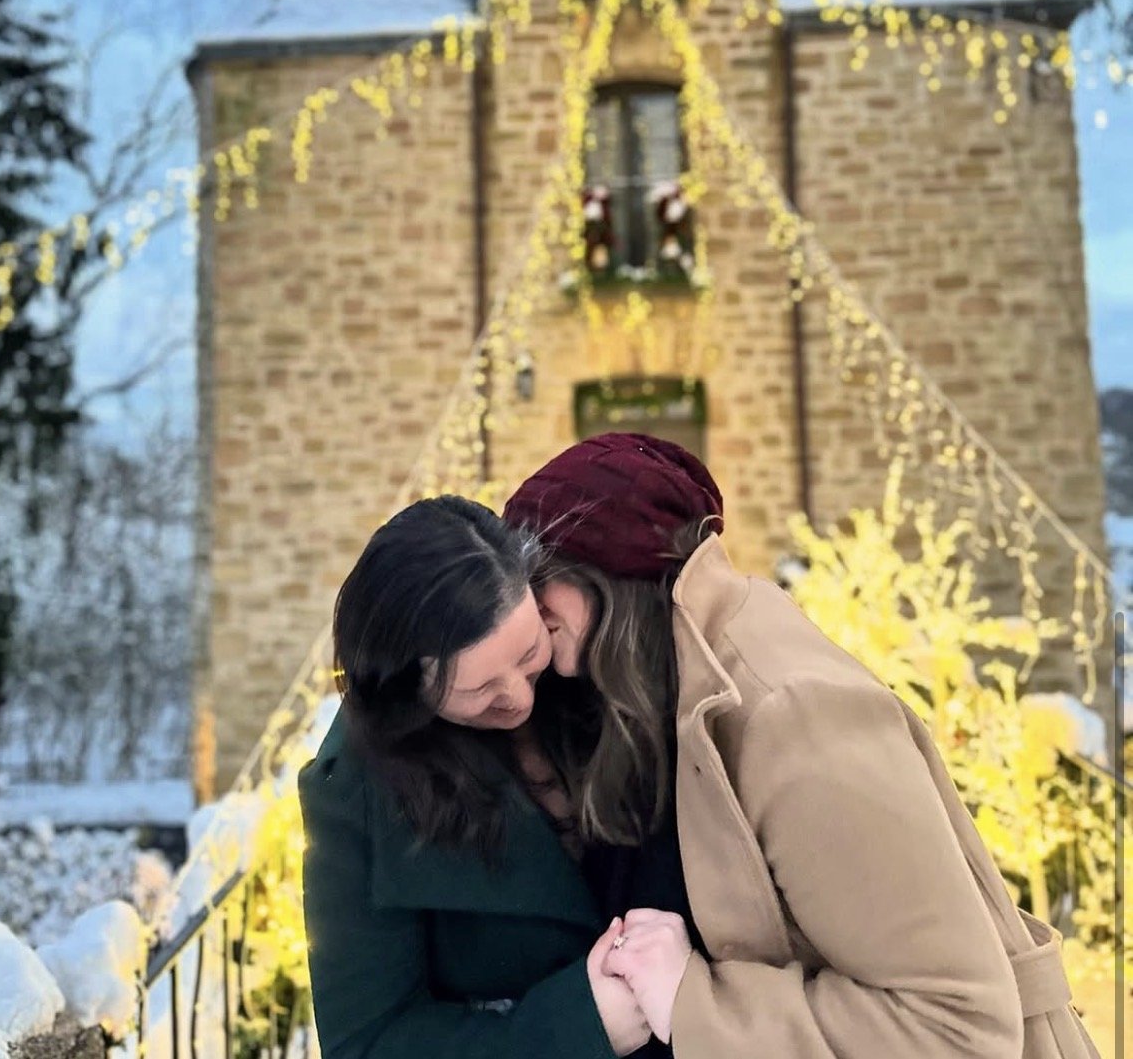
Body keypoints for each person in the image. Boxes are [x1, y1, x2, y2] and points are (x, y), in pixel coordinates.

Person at [502, 431, 1033, 1058]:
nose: (524, 604)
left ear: (613, 570)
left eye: (538, 571)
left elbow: (957, 1026)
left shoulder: (790, 718)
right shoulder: (642, 698)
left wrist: (693, 1004)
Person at [298, 494, 654, 1059]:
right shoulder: (355, 793)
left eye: (528, 651)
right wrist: (574, 1028)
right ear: (411, 690)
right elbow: (368, 1041)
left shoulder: (596, 672)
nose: (518, 698)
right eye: (479, 690)